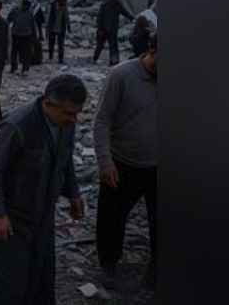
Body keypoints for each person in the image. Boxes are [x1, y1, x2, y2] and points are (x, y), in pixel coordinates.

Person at [0, 74, 89, 305]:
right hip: (11, 217)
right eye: (68, 113)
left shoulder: (66, 124)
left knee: (38, 276)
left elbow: (64, 159)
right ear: (48, 103)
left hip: (42, 213)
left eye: (77, 113)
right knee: (3, 282)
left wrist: (73, 193)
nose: (74, 119)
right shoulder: (18, 125)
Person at [93, 32, 157, 290]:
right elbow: (101, 120)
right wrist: (105, 162)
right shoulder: (121, 75)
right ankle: (108, 265)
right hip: (122, 163)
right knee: (111, 219)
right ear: (152, 50)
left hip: (159, 165)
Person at [93, 0, 133, 65]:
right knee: (100, 46)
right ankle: (95, 58)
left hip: (113, 30)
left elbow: (125, 12)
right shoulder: (104, 5)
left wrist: (132, 18)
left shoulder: (118, 5)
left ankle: (114, 61)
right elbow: (99, 18)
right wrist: (100, 28)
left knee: (113, 46)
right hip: (103, 30)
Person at [7, 0, 38, 75]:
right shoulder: (15, 11)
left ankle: (25, 69)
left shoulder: (29, 14)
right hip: (16, 35)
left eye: (27, 6)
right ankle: (14, 67)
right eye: (25, 5)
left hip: (26, 36)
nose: (26, 7)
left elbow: (32, 26)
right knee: (15, 52)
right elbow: (9, 19)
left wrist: (34, 37)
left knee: (25, 53)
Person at [46, 0, 71, 64]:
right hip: (52, 28)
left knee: (61, 45)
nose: (64, 3)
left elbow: (66, 17)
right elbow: (49, 18)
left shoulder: (64, 7)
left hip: (61, 28)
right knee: (51, 44)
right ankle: (50, 57)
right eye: (64, 2)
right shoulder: (53, 7)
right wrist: (47, 29)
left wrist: (68, 26)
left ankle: (60, 58)